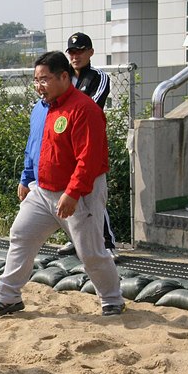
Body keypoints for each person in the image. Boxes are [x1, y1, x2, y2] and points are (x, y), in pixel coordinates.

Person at [0, 51, 125, 318]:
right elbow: (33, 147)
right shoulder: (40, 108)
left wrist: (72, 193)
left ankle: (112, 299)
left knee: (90, 252)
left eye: (44, 80)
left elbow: (89, 158)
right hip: (43, 190)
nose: (39, 86)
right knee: (21, 235)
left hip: (80, 192)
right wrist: (26, 178)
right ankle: (8, 297)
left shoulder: (84, 109)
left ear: (63, 76)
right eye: (36, 80)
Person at [58, 32, 117, 259]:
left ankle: (107, 243)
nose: (75, 56)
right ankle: (76, 240)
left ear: (90, 52)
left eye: (80, 51)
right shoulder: (63, 77)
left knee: (94, 194)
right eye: (72, 52)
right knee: (70, 193)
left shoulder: (98, 78)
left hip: (88, 144)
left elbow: (91, 108)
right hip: (67, 146)